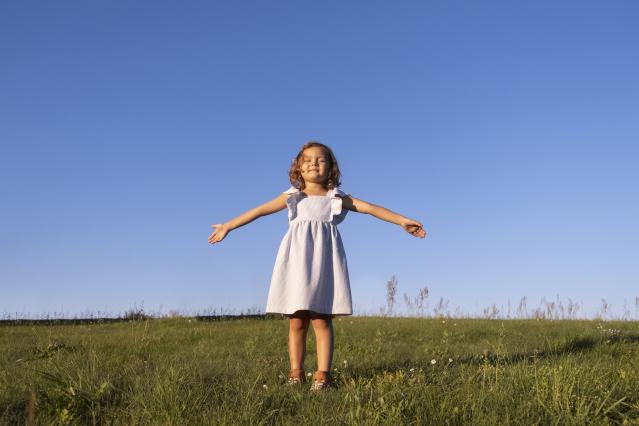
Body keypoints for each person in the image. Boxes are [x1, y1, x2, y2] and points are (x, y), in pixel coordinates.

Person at [208, 141, 426, 392]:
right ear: (298, 168)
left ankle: (322, 376)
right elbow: (259, 211)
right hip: (296, 264)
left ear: (331, 168)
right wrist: (228, 226)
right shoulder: (292, 197)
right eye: (308, 159)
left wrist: (401, 221)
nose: (314, 163)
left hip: (324, 264)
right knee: (297, 320)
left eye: (321, 160)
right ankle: (296, 373)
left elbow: (371, 208)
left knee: (322, 320)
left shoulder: (336, 199)